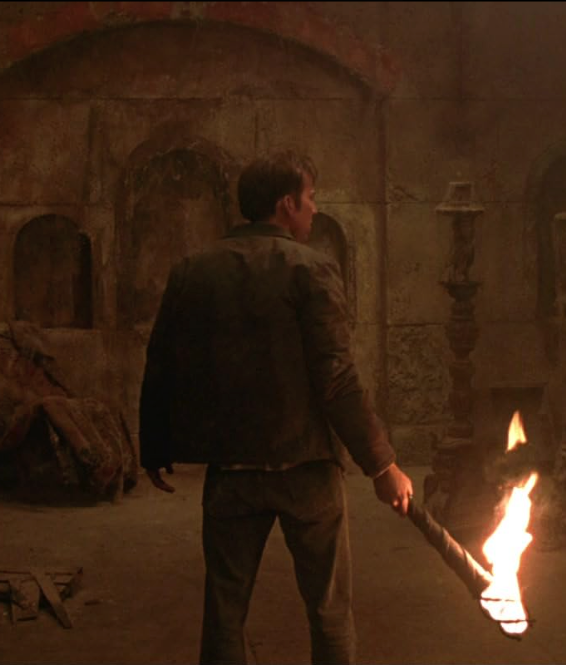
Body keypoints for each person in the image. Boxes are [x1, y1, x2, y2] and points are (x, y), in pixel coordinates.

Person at [138, 149, 414, 665]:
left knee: (225, 611)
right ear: (287, 203)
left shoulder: (193, 271)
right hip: (305, 467)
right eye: (310, 198)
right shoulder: (311, 269)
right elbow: (337, 378)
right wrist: (382, 465)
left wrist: (153, 448)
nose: (314, 209)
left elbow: (161, 364)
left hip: (232, 469)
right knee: (329, 611)